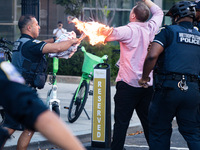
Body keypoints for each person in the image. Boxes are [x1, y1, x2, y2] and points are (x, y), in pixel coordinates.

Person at [2, 14, 80, 150]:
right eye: (37, 24)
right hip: (20, 94)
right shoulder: (31, 46)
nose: (39, 26)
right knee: (8, 128)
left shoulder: (22, 42)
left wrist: (54, 39)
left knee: (30, 128)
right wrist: (73, 41)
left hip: (22, 91)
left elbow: (42, 43)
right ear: (29, 27)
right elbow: (57, 48)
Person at [99, 0, 163, 149]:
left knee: (121, 123)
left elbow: (108, 35)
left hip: (127, 85)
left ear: (133, 15)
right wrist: (147, 1)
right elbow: (159, 12)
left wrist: (96, 30)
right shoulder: (152, 27)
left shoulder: (128, 30)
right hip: (147, 85)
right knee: (148, 123)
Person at [138, 1, 200, 150]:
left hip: (168, 88)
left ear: (177, 16)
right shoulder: (199, 36)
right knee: (193, 133)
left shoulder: (167, 31)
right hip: (192, 90)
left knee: (159, 131)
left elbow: (152, 56)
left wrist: (144, 78)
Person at [0, 60, 85, 150]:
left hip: (21, 92)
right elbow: (43, 118)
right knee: (18, 126)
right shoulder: (4, 69)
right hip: (24, 91)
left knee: (20, 127)